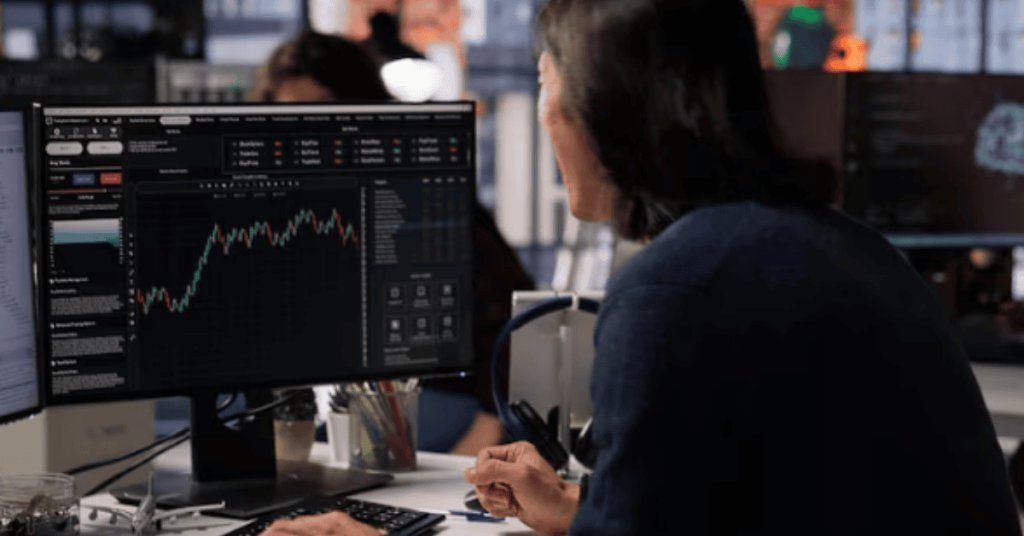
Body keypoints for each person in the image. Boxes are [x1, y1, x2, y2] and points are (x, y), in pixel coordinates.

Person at [261, 1, 1022, 535]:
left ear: (602, 108)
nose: (540, 109)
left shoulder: (674, 286)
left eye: (543, 81)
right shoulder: (838, 245)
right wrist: (579, 509)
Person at [252, 30, 532, 456]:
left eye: (320, 112)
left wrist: (488, 427)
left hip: (448, 415)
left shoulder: (422, 203)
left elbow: (513, 330)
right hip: (336, 419)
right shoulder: (282, 220)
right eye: (287, 117)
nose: (302, 135)